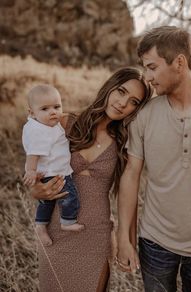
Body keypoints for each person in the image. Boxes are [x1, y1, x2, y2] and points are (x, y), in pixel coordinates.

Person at [117, 26, 191, 292]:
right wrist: (124, 238)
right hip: (155, 244)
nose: (147, 77)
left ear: (179, 62)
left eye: (152, 67)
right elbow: (131, 176)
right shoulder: (144, 115)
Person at [29, 67, 152, 292]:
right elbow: (35, 170)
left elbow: (128, 195)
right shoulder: (65, 123)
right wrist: (36, 191)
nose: (123, 103)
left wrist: (127, 241)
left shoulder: (125, 142)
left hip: (97, 235)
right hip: (57, 232)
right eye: (121, 91)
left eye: (134, 101)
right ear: (110, 87)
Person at [22, 84, 84, 246]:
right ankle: (67, 221)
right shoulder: (39, 131)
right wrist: (30, 170)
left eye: (57, 107)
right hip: (55, 172)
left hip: (49, 171)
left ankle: (41, 226)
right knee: (70, 195)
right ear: (32, 113)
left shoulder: (44, 125)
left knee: (46, 203)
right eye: (45, 109)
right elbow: (33, 153)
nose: (53, 112)